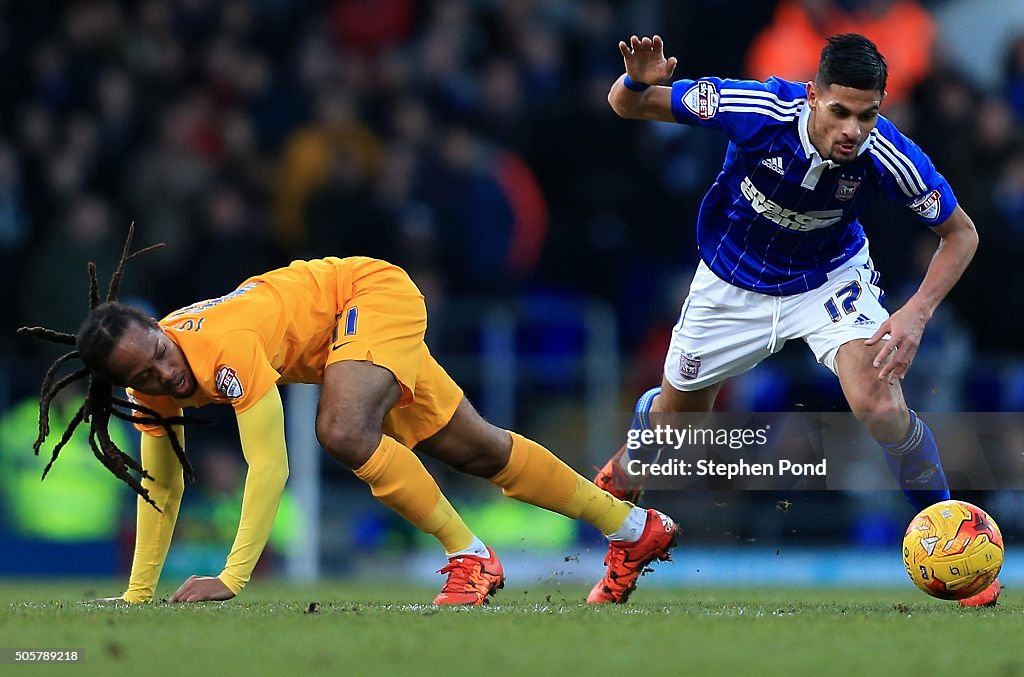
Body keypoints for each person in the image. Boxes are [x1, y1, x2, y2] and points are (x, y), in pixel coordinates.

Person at [18, 226, 676, 606]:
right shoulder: (153, 389)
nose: (162, 374)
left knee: (339, 428)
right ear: (125, 384)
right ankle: (633, 524)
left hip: (367, 295)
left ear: (160, 329)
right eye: (142, 375)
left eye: (159, 353)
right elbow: (162, 486)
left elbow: (269, 463)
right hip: (343, 340)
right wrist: (137, 595)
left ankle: (471, 557)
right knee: (476, 450)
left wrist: (231, 575)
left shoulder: (220, 346)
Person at [595, 34, 996, 606]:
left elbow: (961, 234)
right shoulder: (754, 109)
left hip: (827, 281)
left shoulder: (889, 154)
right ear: (812, 96)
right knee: (676, 440)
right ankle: (635, 464)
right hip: (731, 284)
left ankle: (954, 551)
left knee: (880, 403)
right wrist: (638, 79)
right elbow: (628, 105)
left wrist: (914, 313)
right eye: (839, 112)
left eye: (867, 115)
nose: (852, 130)